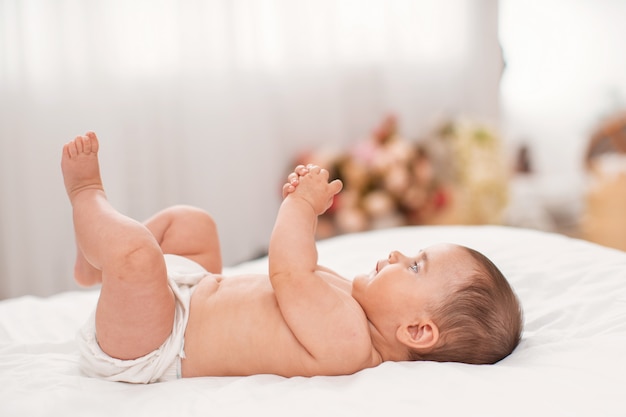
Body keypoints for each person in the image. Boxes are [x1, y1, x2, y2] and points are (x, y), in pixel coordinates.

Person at [62, 131, 523, 384]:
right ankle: (95, 258)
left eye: (417, 266)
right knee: (192, 223)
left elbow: (287, 271)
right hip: (191, 293)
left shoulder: (348, 344)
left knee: (138, 254)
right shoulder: (355, 307)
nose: (400, 253)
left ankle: (87, 197)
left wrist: (301, 208)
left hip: (154, 342)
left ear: (417, 331)